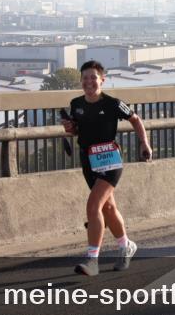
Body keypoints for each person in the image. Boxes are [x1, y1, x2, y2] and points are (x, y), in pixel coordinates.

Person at [62, 61, 153, 276]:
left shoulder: (113, 103)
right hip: (89, 161)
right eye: (85, 78)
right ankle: (125, 246)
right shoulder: (75, 104)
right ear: (81, 81)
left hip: (110, 160)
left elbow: (135, 119)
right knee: (108, 208)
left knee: (93, 206)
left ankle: (92, 260)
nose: (89, 82)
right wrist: (70, 128)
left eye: (93, 77)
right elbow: (76, 131)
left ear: (102, 79)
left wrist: (144, 143)